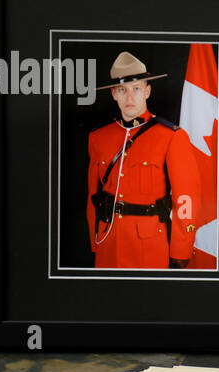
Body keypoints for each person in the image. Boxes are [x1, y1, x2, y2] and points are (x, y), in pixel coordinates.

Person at [86, 51, 201, 269]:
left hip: (149, 248)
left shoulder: (171, 137)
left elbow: (186, 198)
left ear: (147, 92)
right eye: (122, 90)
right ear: (113, 94)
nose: (130, 97)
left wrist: (180, 250)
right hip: (108, 244)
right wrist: (95, 240)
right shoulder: (98, 138)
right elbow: (93, 196)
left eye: (136, 89)